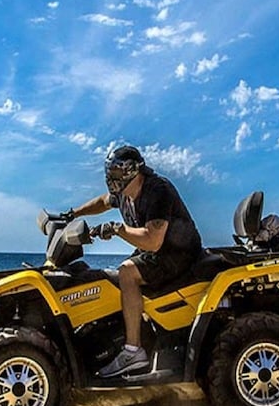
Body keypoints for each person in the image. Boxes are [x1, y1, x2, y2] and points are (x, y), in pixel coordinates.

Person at [71, 145, 202, 377]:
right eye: (110, 171)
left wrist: (117, 229)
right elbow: (102, 202)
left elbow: (153, 241)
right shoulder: (123, 193)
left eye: (117, 172)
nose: (112, 177)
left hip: (179, 254)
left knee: (127, 273)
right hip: (157, 252)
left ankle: (133, 350)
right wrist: (73, 214)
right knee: (111, 279)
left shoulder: (158, 190)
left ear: (132, 171)